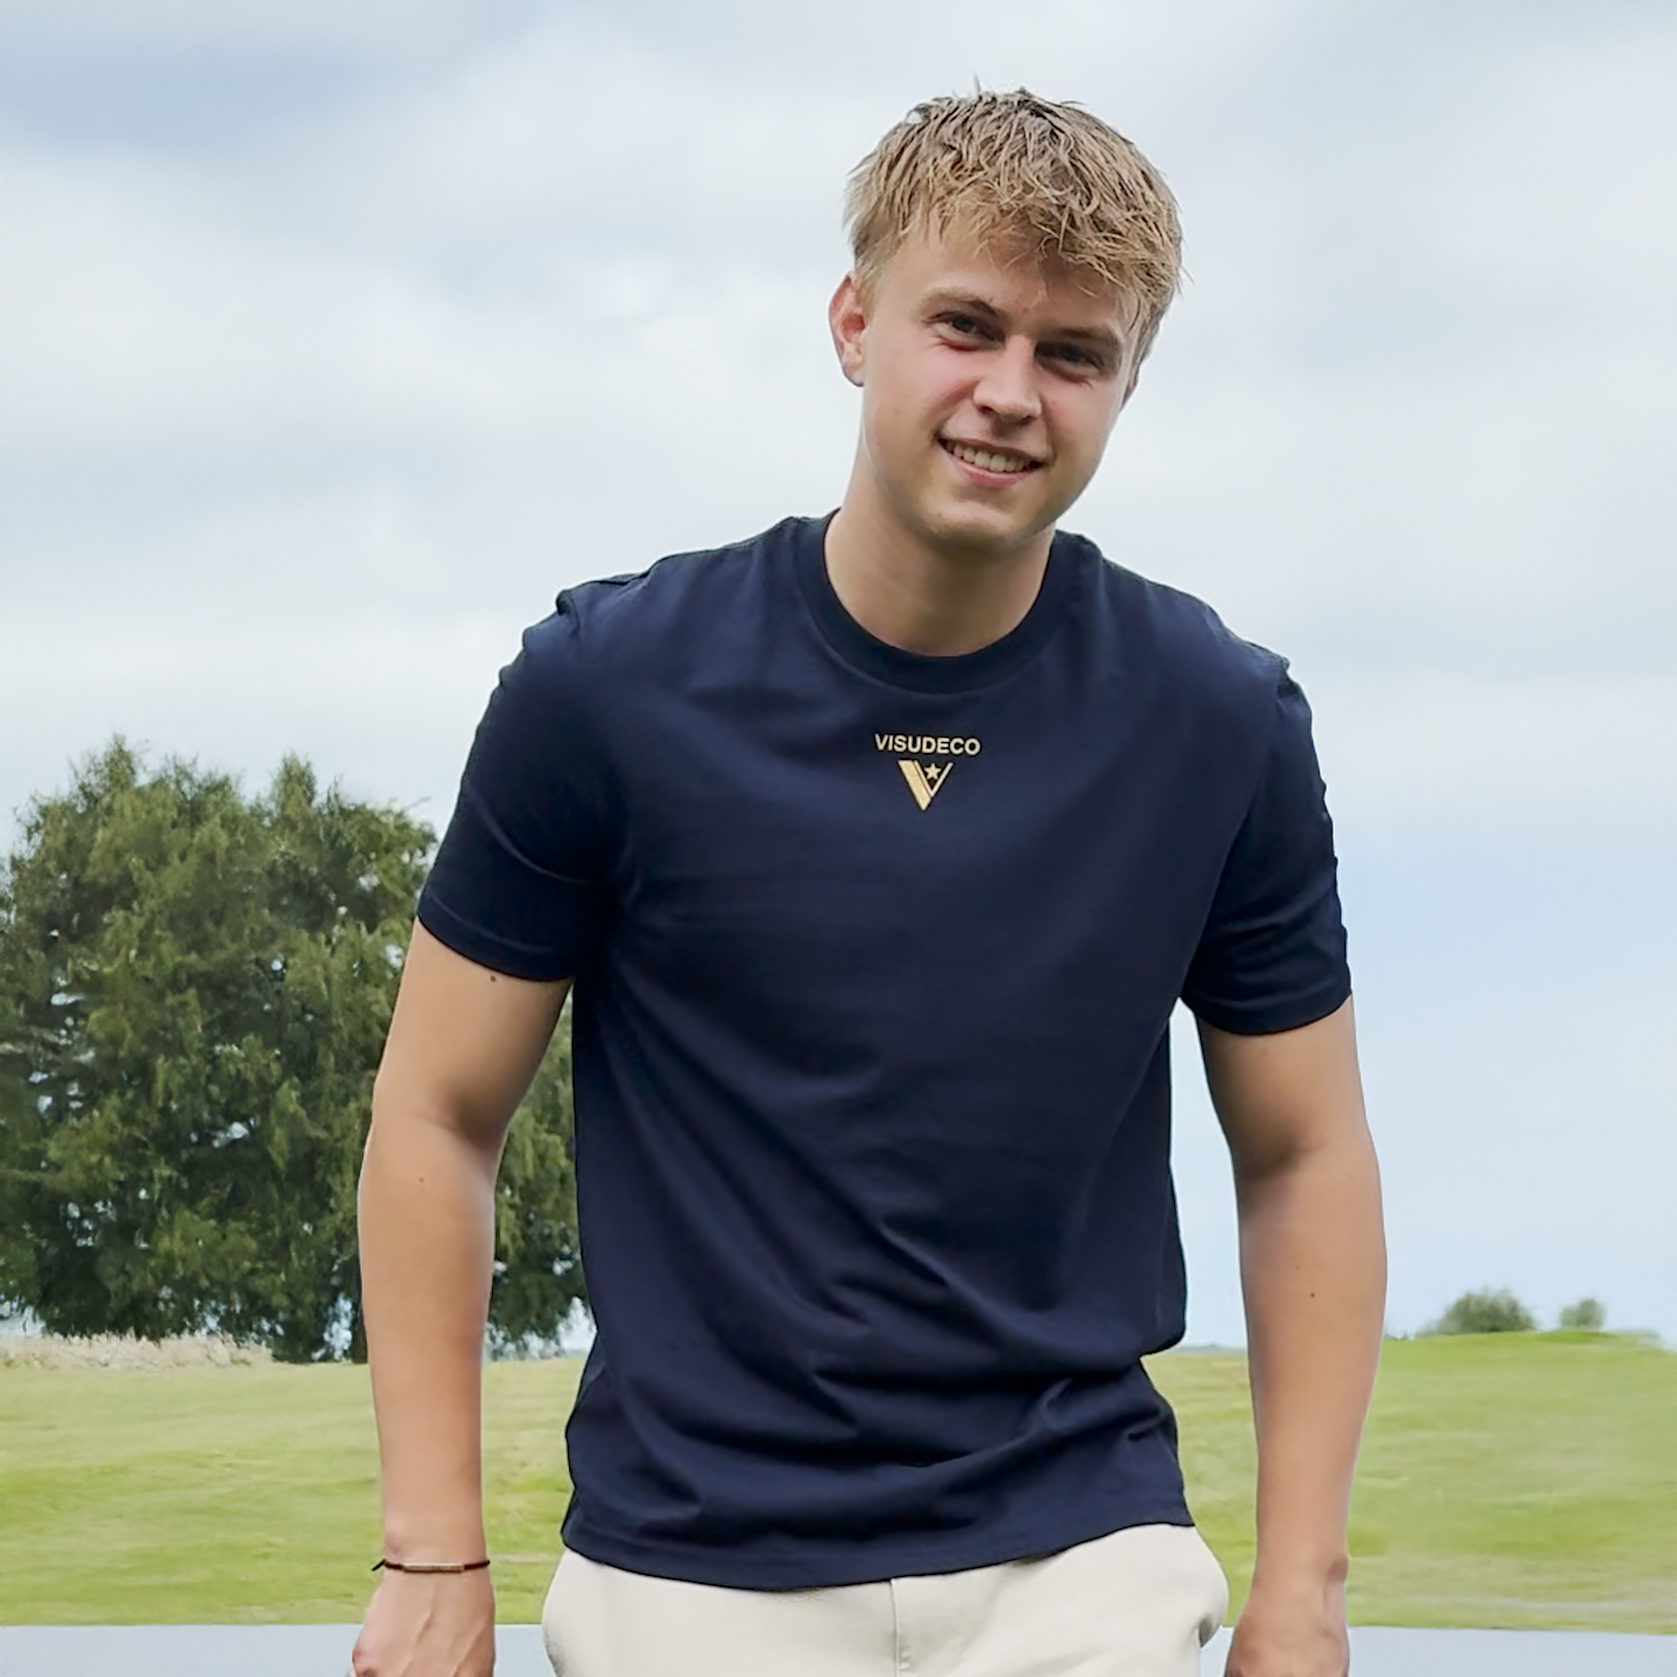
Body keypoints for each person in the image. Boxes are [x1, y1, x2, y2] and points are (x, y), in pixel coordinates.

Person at [351, 89, 1386, 1677]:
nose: (1008, 395)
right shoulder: (604, 690)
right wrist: (432, 1553)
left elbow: (1305, 1151)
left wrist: (1300, 1595)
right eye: (964, 325)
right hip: (691, 1567)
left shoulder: (1219, 721)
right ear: (854, 323)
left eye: (1073, 353)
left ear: (1126, 382)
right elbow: (436, 1112)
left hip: (1081, 1553)